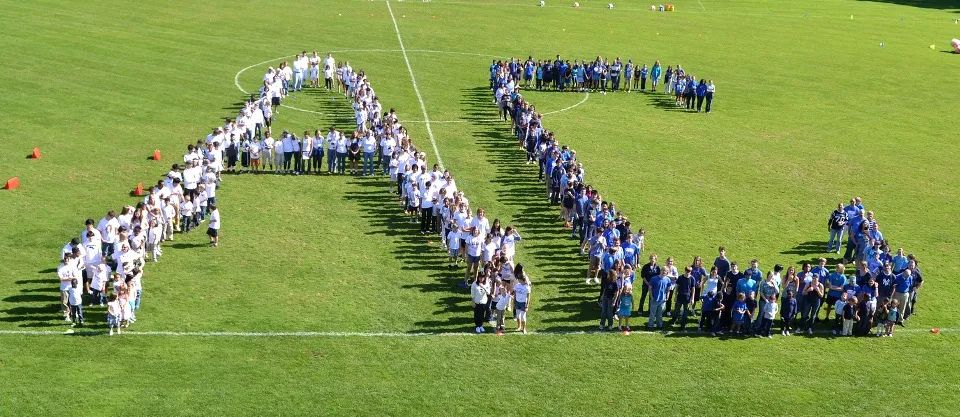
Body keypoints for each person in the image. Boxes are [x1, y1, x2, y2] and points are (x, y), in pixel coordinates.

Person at [514, 269, 531, 334]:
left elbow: (528, 297)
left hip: (523, 303)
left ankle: (524, 329)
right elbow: (515, 294)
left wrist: (527, 306)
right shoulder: (517, 285)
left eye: (519, 279)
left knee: (523, 317)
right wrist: (514, 302)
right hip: (517, 302)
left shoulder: (527, 287)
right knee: (518, 316)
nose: (518, 280)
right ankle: (519, 327)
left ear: (522, 280)